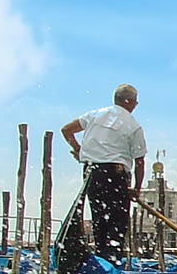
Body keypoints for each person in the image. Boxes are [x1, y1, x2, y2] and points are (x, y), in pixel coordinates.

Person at [62, 84, 147, 264]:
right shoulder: (133, 126)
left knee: (99, 220)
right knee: (116, 225)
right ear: (128, 101)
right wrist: (136, 189)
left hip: (92, 173)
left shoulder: (94, 115)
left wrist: (79, 150)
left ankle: (102, 262)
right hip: (115, 175)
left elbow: (66, 130)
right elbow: (139, 162)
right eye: (135, 102)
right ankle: (112, 266)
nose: (135, 105)